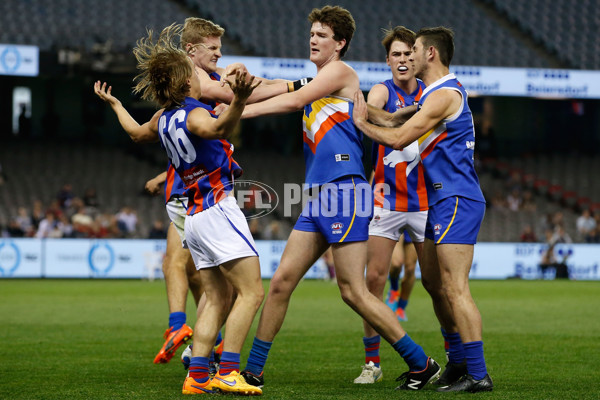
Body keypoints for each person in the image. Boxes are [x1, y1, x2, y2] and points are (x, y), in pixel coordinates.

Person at [238, 7, 440, 391]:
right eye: (312, 33)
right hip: (318, 196)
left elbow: (293, 101)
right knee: (281, 283)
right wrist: (234, 86)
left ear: (340, 43)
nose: (313, 39)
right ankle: (252, 371)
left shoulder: (341, 73)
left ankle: (421, 362)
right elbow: (276, 85)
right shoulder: (318, 80)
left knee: (352, 291)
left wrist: (237, 111)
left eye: (322, 35)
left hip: (345, 191)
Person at [94, 23, 264, 395]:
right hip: (218, 207)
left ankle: (198, 376)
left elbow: (136, 133)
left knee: (217, 297)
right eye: (196, 74)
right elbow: (218, 130)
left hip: (194, 218)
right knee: (251, 293)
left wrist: (118, 105)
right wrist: (238, 99)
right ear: (187, 83)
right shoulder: (193, 113)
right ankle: (229, 370)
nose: (203, 78)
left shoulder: (162, 118)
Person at [352, 27, 493, 392]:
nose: (408, 56)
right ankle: (458, 362)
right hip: (441, 200)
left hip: (457, 198)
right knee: (435, 283)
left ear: (430, 53)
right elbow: (395, 120)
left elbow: (398, 137)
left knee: (455, 287)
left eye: (413, 49)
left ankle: (478, 374)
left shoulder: (444, 94)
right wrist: (366, 110)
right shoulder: (434, 95)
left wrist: (360, 123)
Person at [354, 26, 429, 385]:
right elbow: (368, 110)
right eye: (396, 55)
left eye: (407, 54)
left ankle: (457, 357)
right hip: (386, 199)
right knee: (374, 281)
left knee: (437, 283)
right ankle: (372, 363)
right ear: (388, 61)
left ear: (418, 58)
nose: (402, 60)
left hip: (426, 201)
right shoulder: (384, 89)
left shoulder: (433, 93)